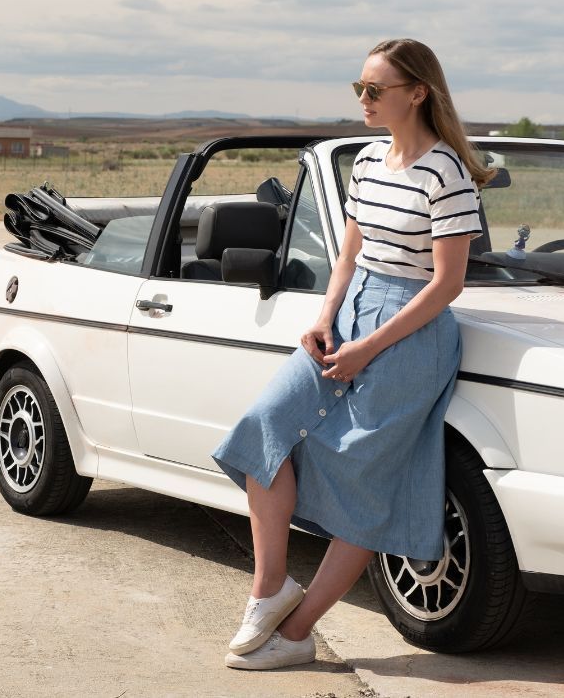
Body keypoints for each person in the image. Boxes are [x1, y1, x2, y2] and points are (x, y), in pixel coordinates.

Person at [209, 38, 498, 671]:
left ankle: (299, 632)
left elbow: (447, 283)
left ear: (417, 93)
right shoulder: (367, 161)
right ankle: (270, 587)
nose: (363, 101)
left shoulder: (446, 171)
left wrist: (369, 346)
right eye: (358, 90)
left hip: (411, 336)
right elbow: (348, 255)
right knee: (263, 427)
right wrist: (322, 317)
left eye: (375, 90)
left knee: (364, 482)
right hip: (349, 311)